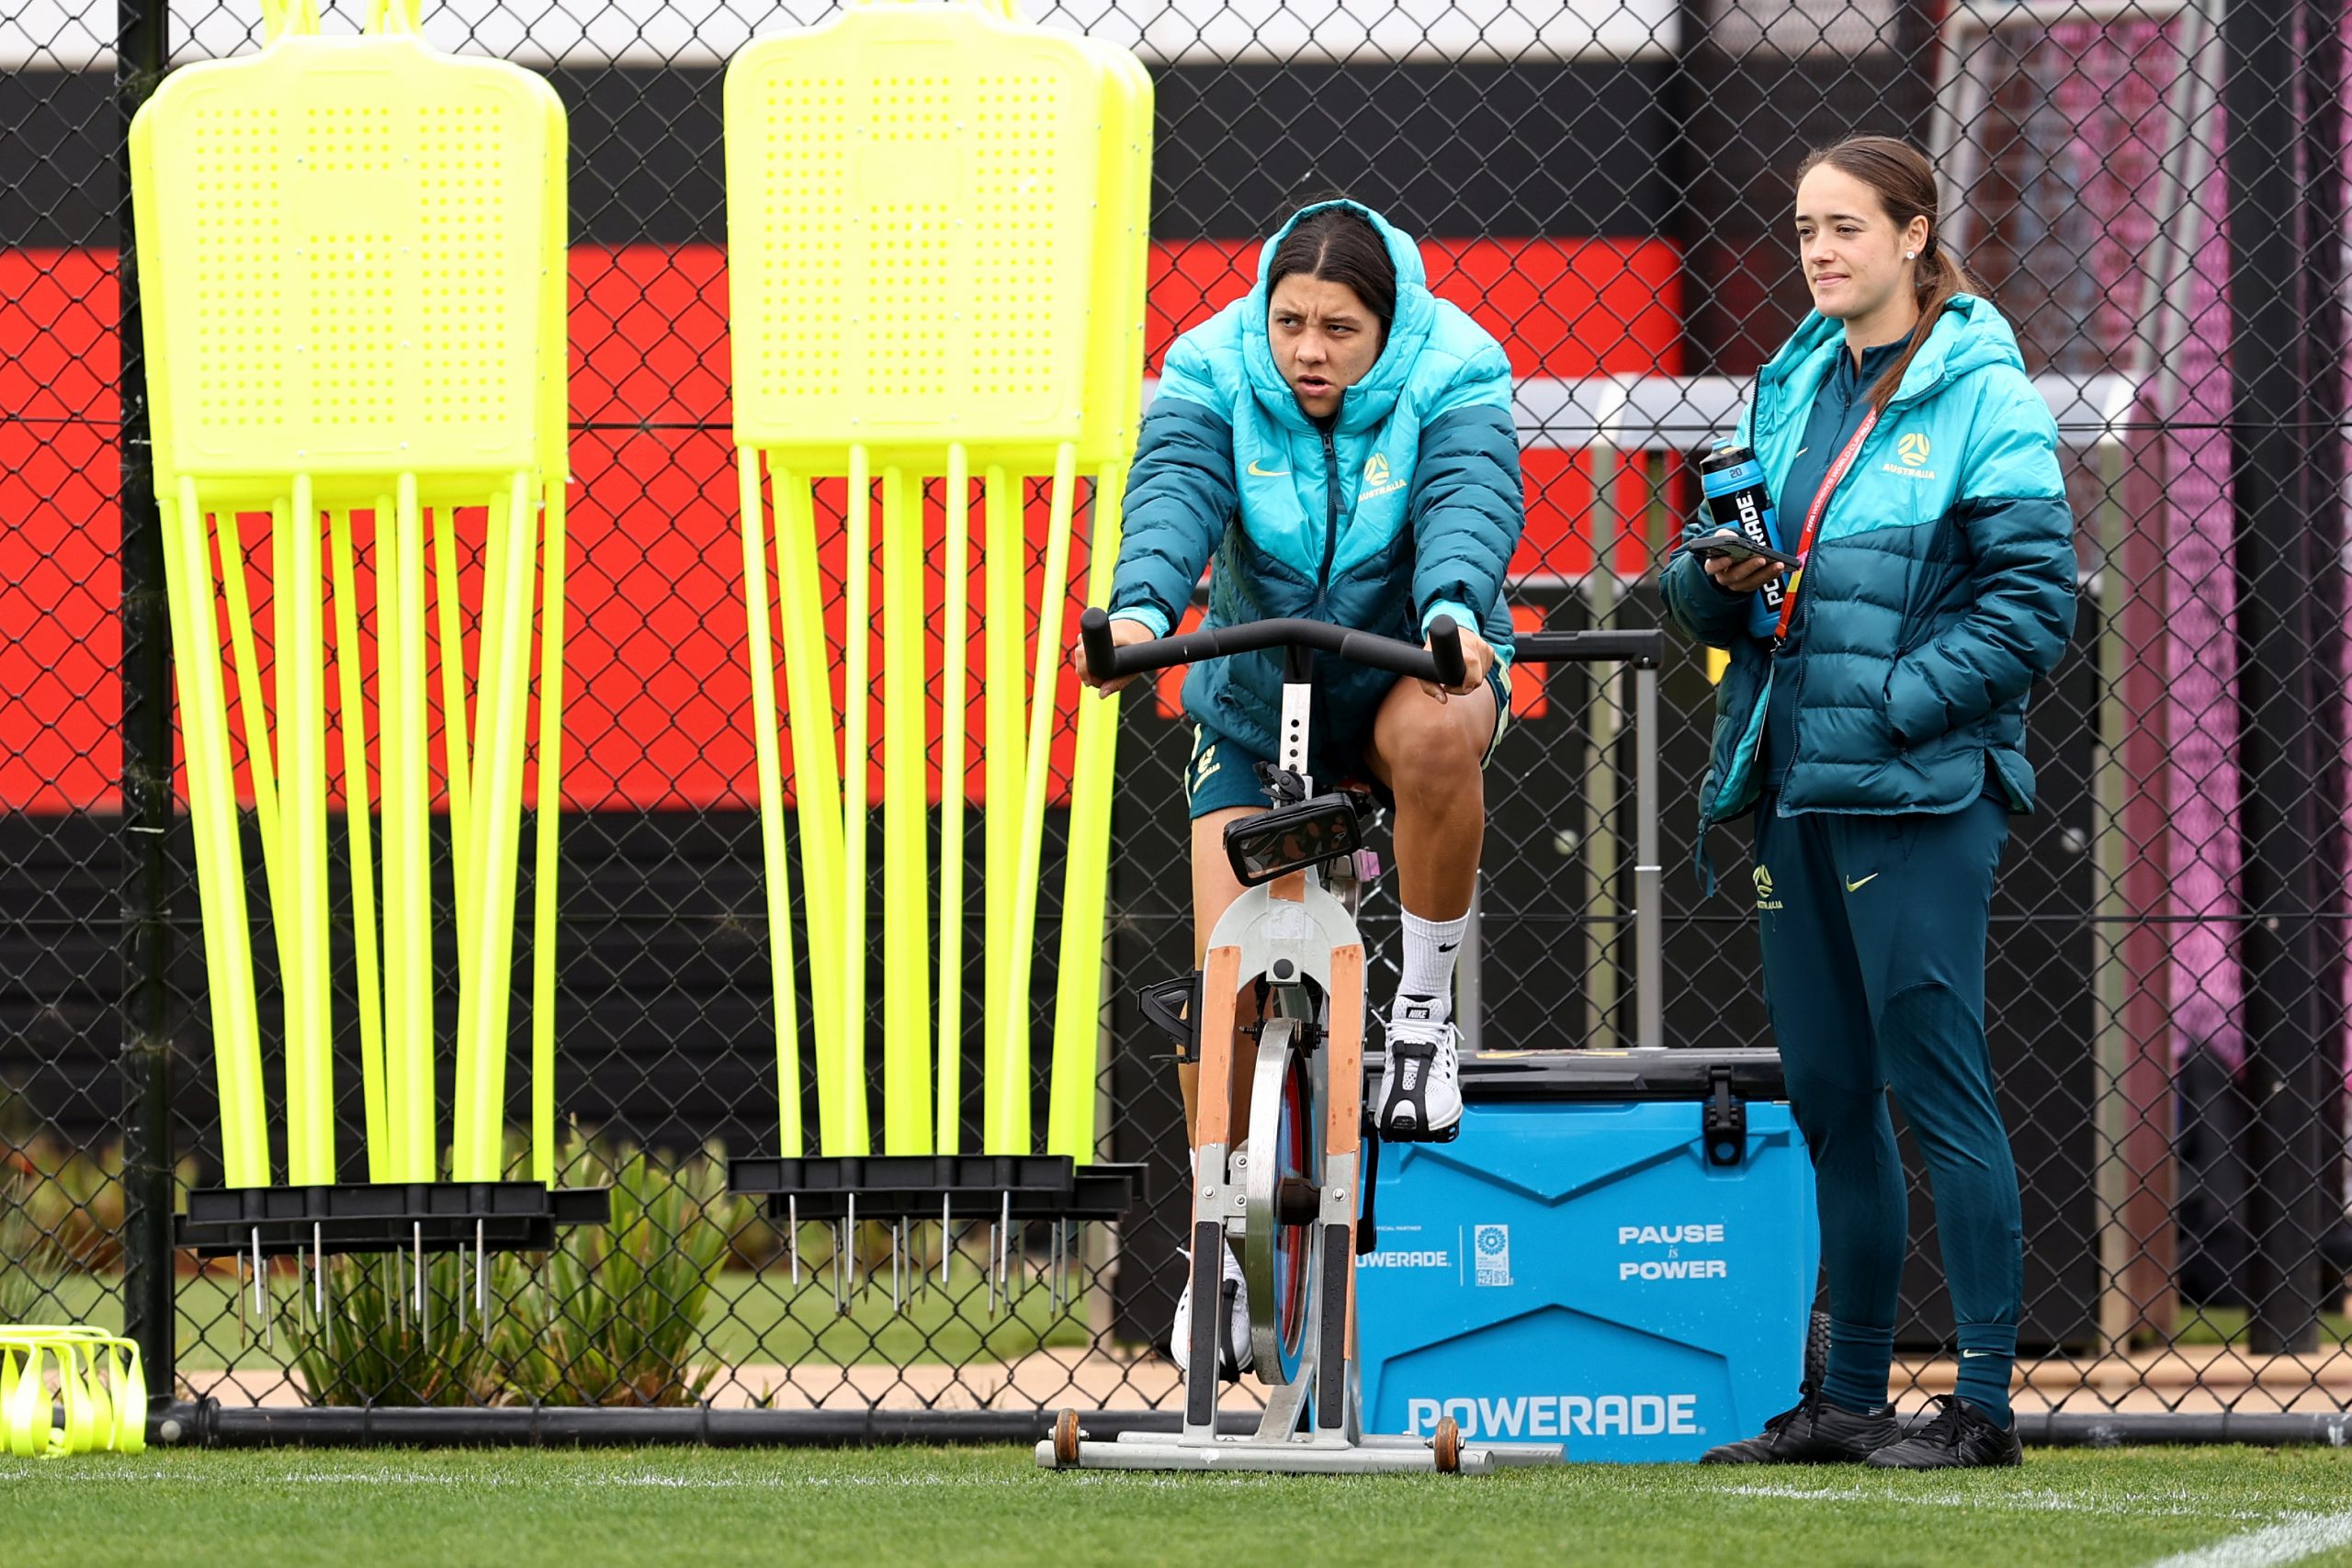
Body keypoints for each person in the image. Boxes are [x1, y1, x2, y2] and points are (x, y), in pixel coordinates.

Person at [1662, 136, 2075, 1469]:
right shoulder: (1794, 386)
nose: (1821, 252)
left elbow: (2030, 609)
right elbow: (1723, 589)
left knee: (1940, 1085)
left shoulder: (1983, 391)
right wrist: (1708, 581)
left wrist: (1889, 704)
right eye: (1802, 230)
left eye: (1847, 227)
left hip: (1917, 789)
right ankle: (1846, 1398)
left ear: (1913, 234)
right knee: (1834, 1096)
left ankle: (1984, 1405)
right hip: (1793, 777)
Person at [1074, 199, 1524, 1375]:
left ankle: (1421, 1020)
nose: (1309, 351)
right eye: (1290, 324)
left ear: (1389, 327)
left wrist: (1456, 609)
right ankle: (1214, 1254)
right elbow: (1172, 493)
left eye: (1338, 329)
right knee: (1225, 973)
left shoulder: (1458, 366)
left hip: (1406, 669)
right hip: (1252, 685)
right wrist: (1135, 611)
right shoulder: (1210, 366)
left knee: (1435, 740)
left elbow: (1468, 501)